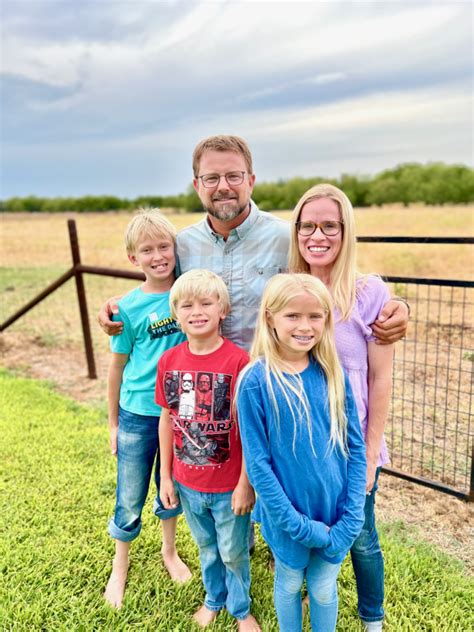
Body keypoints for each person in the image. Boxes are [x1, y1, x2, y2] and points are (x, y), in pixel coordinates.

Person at [98, 134, 409, 350]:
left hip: (269, 384)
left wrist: (397, 305)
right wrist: (118, 306)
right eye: (211, 178)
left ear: (251, 180)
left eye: (234, 176)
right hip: (206, 388)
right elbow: (157, 288)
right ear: (197, 185)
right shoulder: (183, 245)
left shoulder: (287, 237)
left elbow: (336, 279)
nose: (223, 187)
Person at [289, 183, 395, 631]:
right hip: (304, 442)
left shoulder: (368, 293)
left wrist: (370, 453)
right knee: (308, 531)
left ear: (345, 229)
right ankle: (314, 602)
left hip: (353, 447)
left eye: (329, 225)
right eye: (308, 225)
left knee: (362, 537)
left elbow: (380, 378)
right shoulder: (290, 291)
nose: (318, 234)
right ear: (296, 231)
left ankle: (372, 618)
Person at [236, 273, 367, 632]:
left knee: (324, 589)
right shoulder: (255, 381)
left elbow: (355, 447)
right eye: (293, 316)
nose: (305, 326)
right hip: (286, 519)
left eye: (315, 316)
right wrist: (298, 526)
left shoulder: (332, 374)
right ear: (270, 318)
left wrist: (351, 519)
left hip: (336, 513)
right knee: (290, 583)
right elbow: (258, 464)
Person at [155, 269, 260, 631]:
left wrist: (247, 483)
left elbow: (250, 430)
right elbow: (167, 420)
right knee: (207, 548)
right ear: (176, 313)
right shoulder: (169, 362)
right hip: (187, 482)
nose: (196, 311)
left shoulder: (239, 363)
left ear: (223, 310)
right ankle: (213, 599)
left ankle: (241, 608)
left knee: (233, 551)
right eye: (186, 305)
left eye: (206, 303)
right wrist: (166, 477)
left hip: (230, 484)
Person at [104, 209, 191, 609]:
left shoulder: (188, 295)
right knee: (130, 491)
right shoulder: (126, 308)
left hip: (182, 412)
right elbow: (117, 367)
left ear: (175, 249)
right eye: (147, 250)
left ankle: (168, 551)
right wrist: (112, 423)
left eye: (164, 246)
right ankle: (120, 565)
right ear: (132, 259)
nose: (158, 256)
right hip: (138, 413)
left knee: (170, 486)